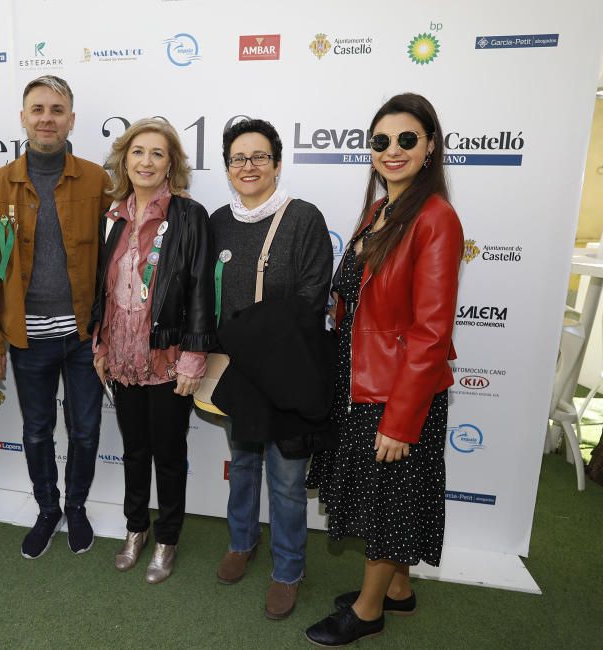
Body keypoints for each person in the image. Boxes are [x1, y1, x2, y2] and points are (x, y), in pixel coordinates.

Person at [304, 93, 463, 646]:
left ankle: (369, 610)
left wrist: (400, 419)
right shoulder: (380, 211)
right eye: (380, 142)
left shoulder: (437, 219)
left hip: (399, 390)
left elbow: (431, 333)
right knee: (388, 495)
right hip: (361, 380)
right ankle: (398, 590)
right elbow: (361, 295)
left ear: (430, 147)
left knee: (389, 502)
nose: (391, 151)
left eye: (406, 140)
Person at [0, 75, 113, 559]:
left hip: (84, 336)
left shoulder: (97, 180)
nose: (47, 117)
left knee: (86, 429)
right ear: (23, 117)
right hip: (26, 337)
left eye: (57, 109)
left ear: (71, 119)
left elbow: (118, 259)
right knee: (35, 430)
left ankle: (75, 507)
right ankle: (46, 507)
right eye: (38, 109)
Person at [208, 119, 334, 620]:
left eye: (259, 157)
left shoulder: (303, 219)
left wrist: (254, 336)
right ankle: (241, 543)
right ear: (227, 168)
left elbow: (311, 297)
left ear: (278, 164)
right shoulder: (216, 220)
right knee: (242, 464)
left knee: (285, 478)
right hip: (237, 372)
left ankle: (288, 569)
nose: (249, 167)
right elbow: (206, 295)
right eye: (239, 159)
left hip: (287, 371)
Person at [89, 118, 215, 583]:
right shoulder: (112, 216)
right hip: (120, 358)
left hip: (166, 358)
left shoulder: (188, 215)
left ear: (171, 164)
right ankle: (135, 529)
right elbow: (101, 287)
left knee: (167, 452)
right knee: (134, 450)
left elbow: (202, 289)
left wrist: (193, 358)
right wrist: (99, 341)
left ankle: (167, 539)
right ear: (125, 158)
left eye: (157, 153)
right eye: (138, 151)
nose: (146, 161)